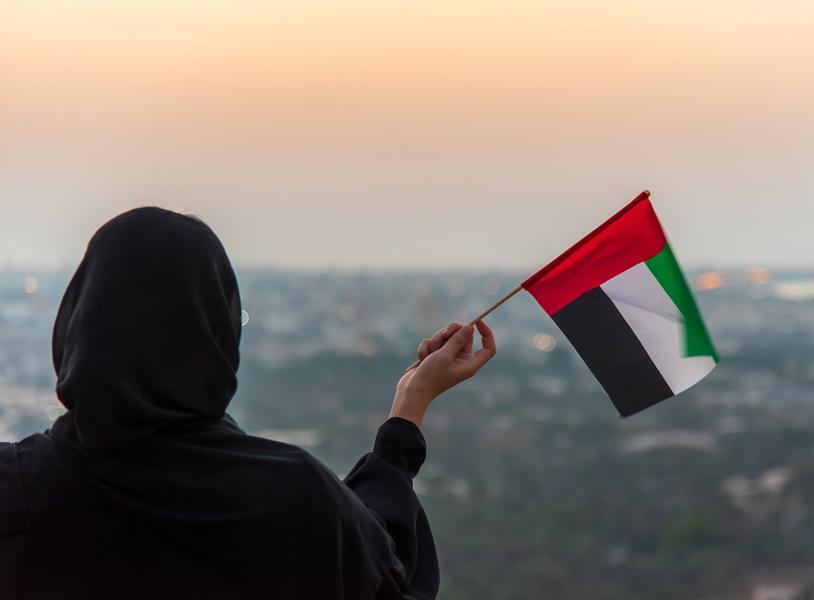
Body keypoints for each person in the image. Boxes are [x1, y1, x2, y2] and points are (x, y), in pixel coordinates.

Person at [0, 207, 496, 599]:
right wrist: (408, 409)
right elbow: (386, 575)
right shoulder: (293, 503)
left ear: (75, 325)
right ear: (215, 339)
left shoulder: (17, 494)